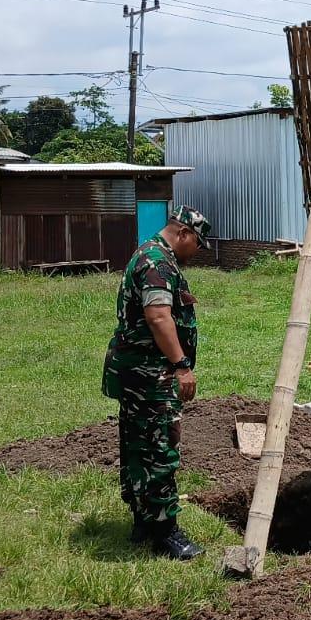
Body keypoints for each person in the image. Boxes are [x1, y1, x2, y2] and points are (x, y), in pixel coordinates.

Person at [102, 205, 210, 560]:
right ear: (182, 233)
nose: (197, 252)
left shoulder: (148, 253)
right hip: (151, 375)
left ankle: (142, 521)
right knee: (160, 448)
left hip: (137, 373)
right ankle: (165, 531)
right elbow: (158, 315)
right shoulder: (158, 263)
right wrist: (181, 365)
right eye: (197, 243)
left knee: (137, 445)